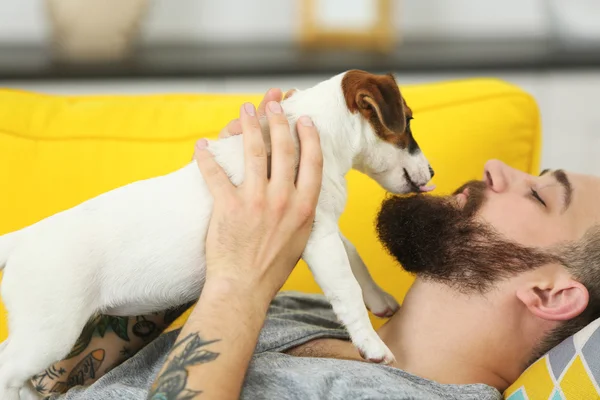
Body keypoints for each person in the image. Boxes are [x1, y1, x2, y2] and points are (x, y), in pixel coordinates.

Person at [33, 88, 600, 400]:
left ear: (550, 295)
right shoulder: (304, 307)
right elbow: (53, 384)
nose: (498, 167)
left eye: (540, 197)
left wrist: (238, 283)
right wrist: (218, 225)